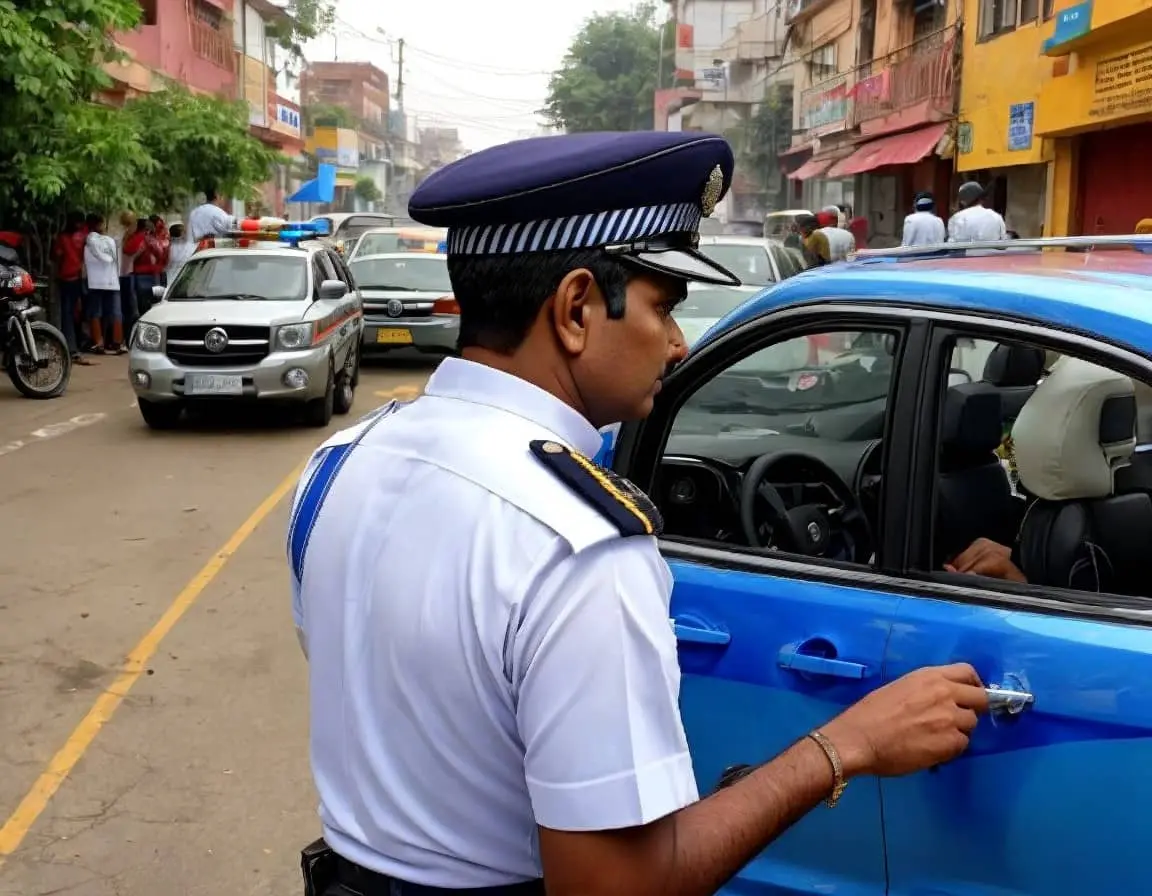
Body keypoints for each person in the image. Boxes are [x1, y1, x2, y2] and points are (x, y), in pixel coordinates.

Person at [287, 131, 989, 896]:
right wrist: (844, 745)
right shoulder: (579, 550)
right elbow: (619, 887)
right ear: (578, 308)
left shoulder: (340, 465)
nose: (680, 343)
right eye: (664, 305)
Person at [51, 211, 93, 365]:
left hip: (65, 277)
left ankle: (69, 346)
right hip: (78, 276)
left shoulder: (62, 237)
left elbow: (57, 255)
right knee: (76, 312)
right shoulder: (83, 237)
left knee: (67, 313)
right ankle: (74, 346)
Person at [83, 215, 124, 355]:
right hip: (112, 280)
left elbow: (92, 256)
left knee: (95, 312)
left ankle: (98, 344)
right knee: (115, 312)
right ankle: (117, 343)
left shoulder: (89, 239)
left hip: (95, 281)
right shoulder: (110, 241)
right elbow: (116, 261)